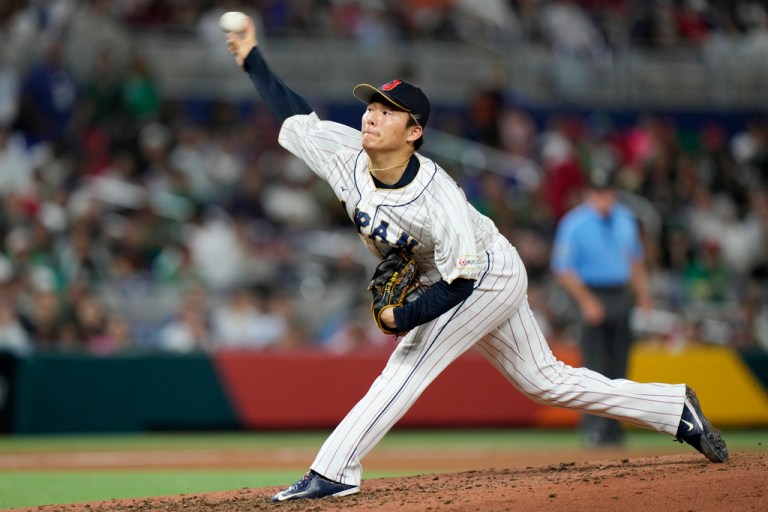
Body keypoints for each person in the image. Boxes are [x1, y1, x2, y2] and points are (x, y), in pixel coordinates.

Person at [223, 16, 729, 503]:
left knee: (410, 361)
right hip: (455, 270)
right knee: (545, 380)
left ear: (414, 132)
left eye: (388, 111)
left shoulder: (436, 196)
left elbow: (461, 282)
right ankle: (673, 406)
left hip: (483, 274)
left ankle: (334, 471)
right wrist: (252, 58)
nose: (372, 116)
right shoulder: (343, 153)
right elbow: (292, 114)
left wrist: (407, 315)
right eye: (372, 106)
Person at [551, 166, 653, 448]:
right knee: (594, 367)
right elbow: (564, 269)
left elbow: (635, 261)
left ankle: (614, 429)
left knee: (620, 365)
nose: (603, 199)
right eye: (598, 193)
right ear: (588, 194)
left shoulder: (625, 220)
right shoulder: (574, 223)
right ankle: (594, 428)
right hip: (591, 292)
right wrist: (586, 301)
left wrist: (644, 294)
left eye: (607, 193)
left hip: (621, 294)